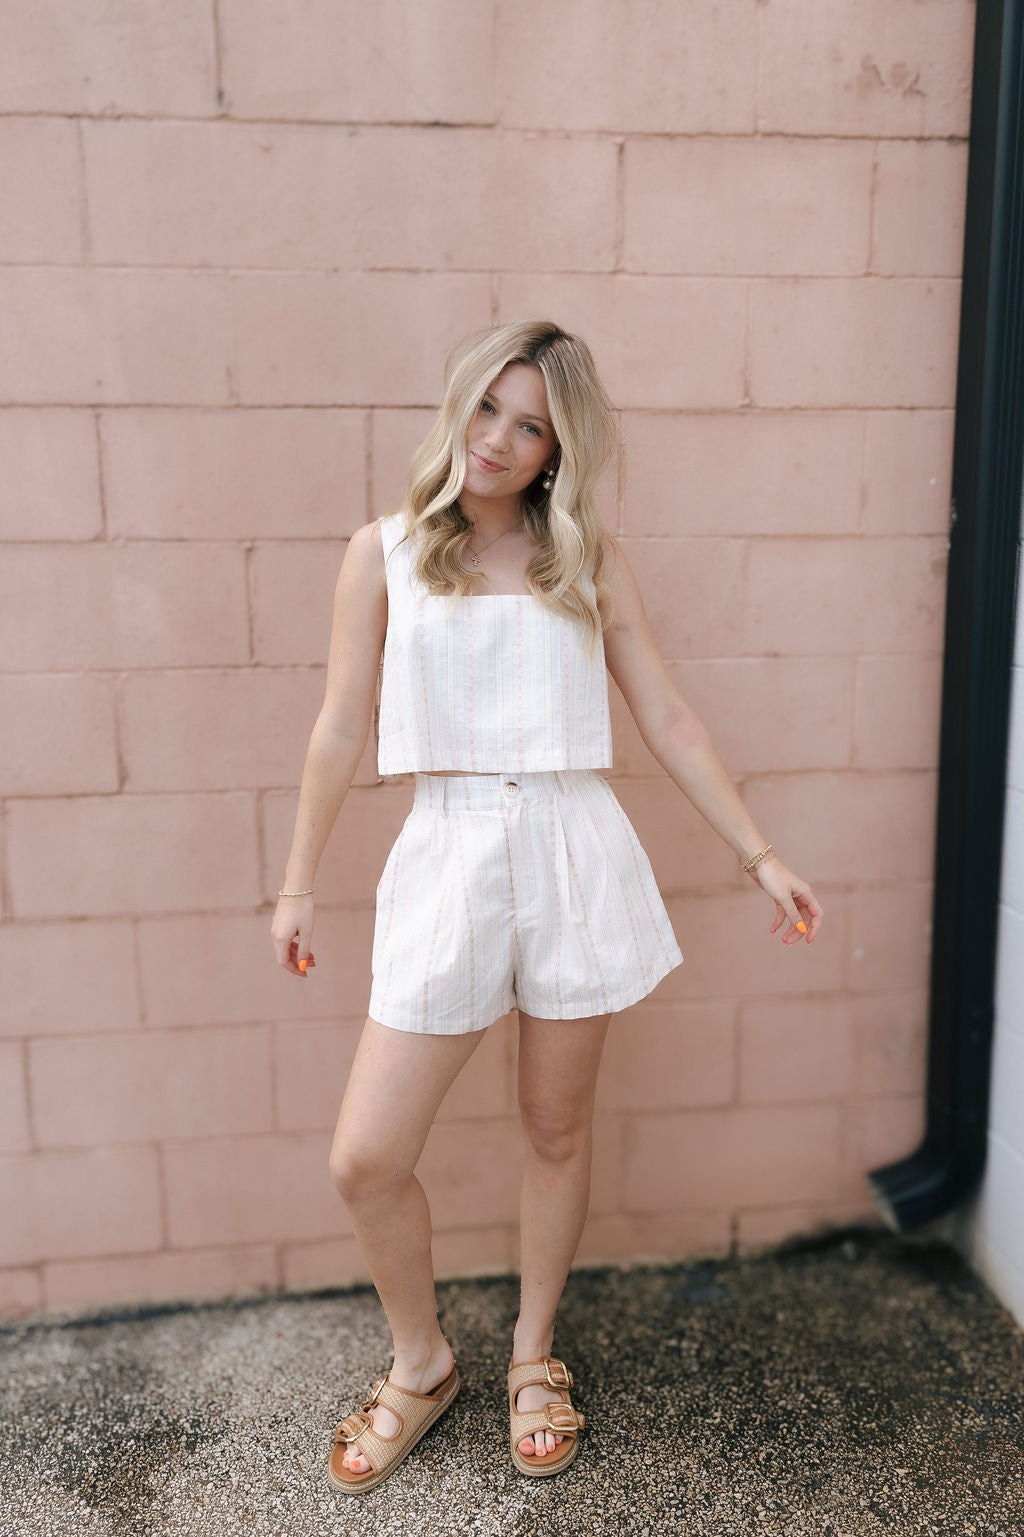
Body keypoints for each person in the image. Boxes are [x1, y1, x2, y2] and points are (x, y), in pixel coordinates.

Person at [270, 319, 824, 1494]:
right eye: (488, 407)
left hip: (574, 848)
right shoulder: (383, 553)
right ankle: (422, 1363)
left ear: (556, 449)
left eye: (531, 427)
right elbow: (337, 725)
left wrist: (758, 854)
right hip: (447, 854)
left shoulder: (585, 557)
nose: (499, 440)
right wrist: (298, 882)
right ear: (457, 404)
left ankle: (532, 1352)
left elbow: (666, 713)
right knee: (366, 1158)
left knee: (554, 1127)